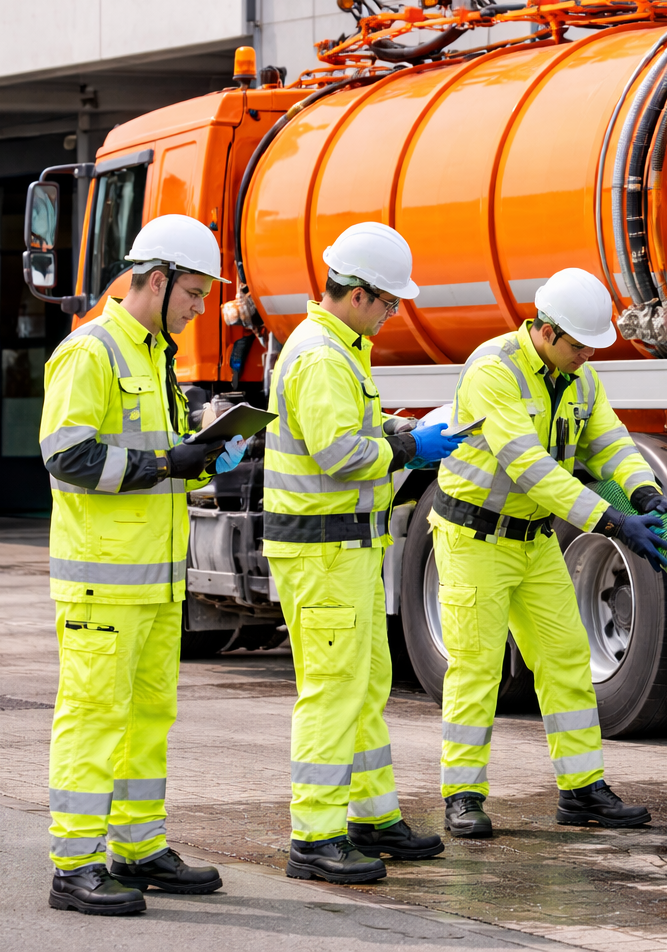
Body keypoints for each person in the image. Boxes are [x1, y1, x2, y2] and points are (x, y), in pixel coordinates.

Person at [431, 267, 667, 838]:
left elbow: (609, 443)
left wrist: (645, 489)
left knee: (568, 661)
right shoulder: (493, 370)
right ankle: (463, 795)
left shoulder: (581, 378)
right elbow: (530, 468)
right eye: (578, 345)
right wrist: (614, 522)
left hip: (533, 541)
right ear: (546, 332)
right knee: (476, 669)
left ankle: (581, 791)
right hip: (473, 538)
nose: (585, 356)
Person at [40, 213, 248, 915]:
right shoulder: (90, 352)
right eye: (192, 293)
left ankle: (137, 847)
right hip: (102, 583)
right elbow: (68, 459)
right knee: (95, 719)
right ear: (155, 280)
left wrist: (201, 458)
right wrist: (167, 461)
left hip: (155, 584)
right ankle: (74, 864)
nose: (198, 308)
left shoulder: (155, 355)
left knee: (147, 719)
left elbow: (152, 467)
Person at [263, 222, 461, 884]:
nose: (391, 314)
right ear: (361, 294)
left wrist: (401, 429)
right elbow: (338, 453)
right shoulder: (323, 355)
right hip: (322, 553)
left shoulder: (335, 348)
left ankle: (370, 816)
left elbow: (351, 431)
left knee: (364, 685)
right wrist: (412, 448)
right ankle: (315, 837)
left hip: (341, 550)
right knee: (332, 692)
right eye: (388, 302)